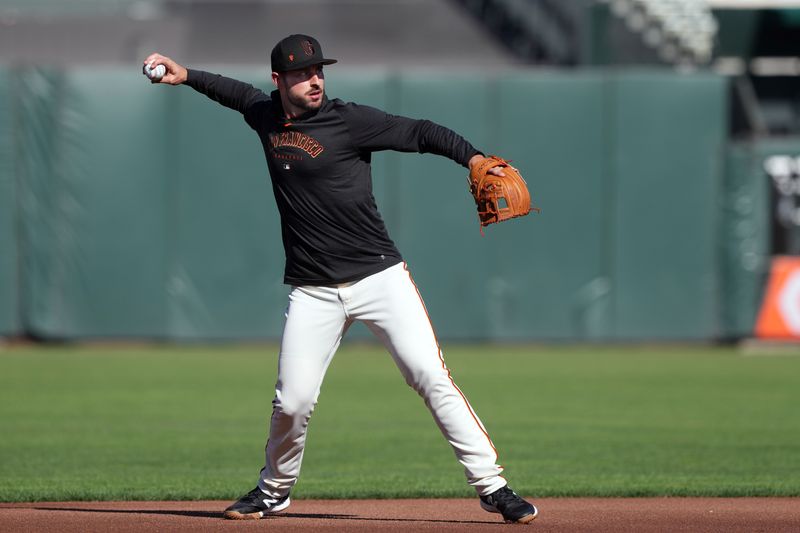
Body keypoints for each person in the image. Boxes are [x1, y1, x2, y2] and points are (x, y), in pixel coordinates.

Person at [143, 34, 537, 524]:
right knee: (293, 401)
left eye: (319, 71)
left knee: (430, 376)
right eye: (303, 73)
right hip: (313, 290)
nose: (314, 80)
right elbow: (232, 92)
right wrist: (186, 75)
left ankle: (493, 487)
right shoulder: (264, 115)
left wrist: (473, 157)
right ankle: (274, 491)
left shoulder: (350, 121)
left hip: (379, 278)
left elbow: (420, 131)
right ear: (279, 80)